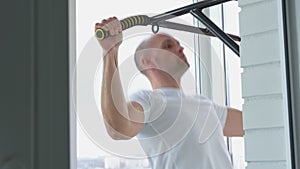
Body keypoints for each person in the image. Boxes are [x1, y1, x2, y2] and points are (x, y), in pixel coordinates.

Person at [95, 17, 244, 169]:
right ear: (147, 61)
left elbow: (256, 124)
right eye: (168, 46)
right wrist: (110, 52)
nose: (180, 49)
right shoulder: (149, 100)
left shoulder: (203, 104)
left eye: (179, 45)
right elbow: (118, 130)